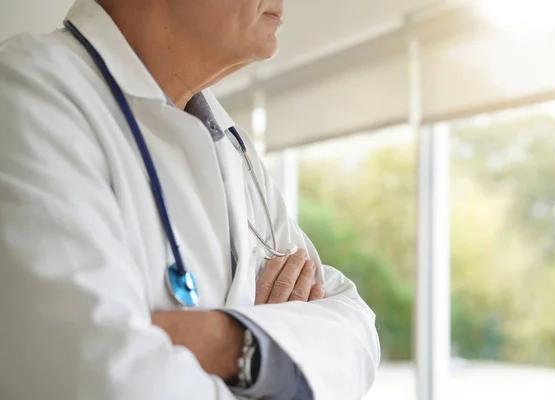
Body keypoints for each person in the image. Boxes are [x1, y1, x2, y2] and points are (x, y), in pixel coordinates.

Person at [0, 0, 380, 399]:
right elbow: (99, 378)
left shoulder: (233, 146)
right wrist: (282, 357)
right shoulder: (28, 91)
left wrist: (231, 342)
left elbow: (355, 330)